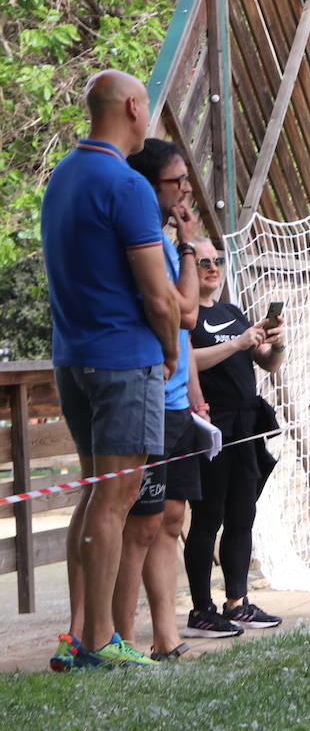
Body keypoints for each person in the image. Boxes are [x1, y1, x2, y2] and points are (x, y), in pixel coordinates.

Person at [43, 70, 181, 670]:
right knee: (116, 498)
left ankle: (78, 636)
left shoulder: (62, 177)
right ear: (131, 106)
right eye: (146, 106)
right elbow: (159, 297)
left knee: (93, 495)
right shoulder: (125, 186)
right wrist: (171, 350)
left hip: (72, 359)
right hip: (124, 360)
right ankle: (100, 641)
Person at [111, 139, 206, 661]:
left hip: (176, 404)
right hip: (146, 393)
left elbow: (185, 332)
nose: (187, 190)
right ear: (150, 186)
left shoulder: (165, 242)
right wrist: (190, 245)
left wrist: (193, 393)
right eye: (178, 182)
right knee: (140, 523)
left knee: (172, 519)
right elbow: (187, 314)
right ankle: (118, 639)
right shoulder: (153, 242)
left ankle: (165, 638)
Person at [184, 238, 285, 636]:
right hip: (211, 423)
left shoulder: (232, 311)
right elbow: (186, 359)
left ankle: (237, 602)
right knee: (208, 515)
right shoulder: (186, 316)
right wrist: (238, 342)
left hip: (247, 423)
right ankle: (201, 609)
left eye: (218, 260)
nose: (212, 267)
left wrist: (276, 342)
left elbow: (269, 365)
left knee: (243, 513)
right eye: (203, 261)